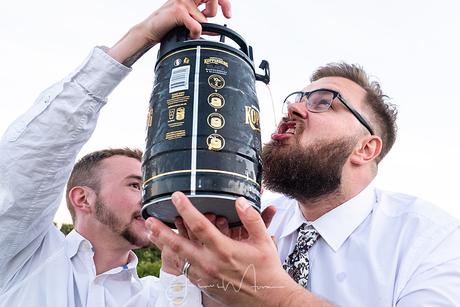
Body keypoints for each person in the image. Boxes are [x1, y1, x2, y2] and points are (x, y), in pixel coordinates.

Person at [146, 63, 460, 306]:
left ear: (366, 149)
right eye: (297, 100)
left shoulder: (431, 239)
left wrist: (272, 297)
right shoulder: (248, 220)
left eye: (324, 102)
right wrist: (211, 286)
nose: (293, 109)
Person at [0, 0, 231, 306]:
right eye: (136, 185)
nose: (150, 198)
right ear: (83, 198)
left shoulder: (157, 294)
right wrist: (143, 36)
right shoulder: (21, 255)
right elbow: (33, 157)